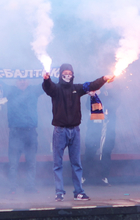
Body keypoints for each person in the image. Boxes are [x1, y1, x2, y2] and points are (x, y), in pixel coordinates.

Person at [42, 63, 112, 201]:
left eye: (70, 73)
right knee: (58, 163)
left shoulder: (77, 88)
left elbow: (92, 85)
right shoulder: (55, 88)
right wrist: (46, 79)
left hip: (75, 130)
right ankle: (59, 192)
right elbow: (48, 88)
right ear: (61, 74)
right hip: (60, 131)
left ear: (73, 74)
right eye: (65, 73)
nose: (67, 75)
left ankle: (79, 192)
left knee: (76, 163)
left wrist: (104, 78)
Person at [0, 75, 41, 193]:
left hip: (31, 131)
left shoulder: (34, 90)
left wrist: (49, 72)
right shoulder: (11, 91)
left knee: (31, 162)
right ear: (16, 81)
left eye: (24, 79)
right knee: (13, 162)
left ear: (28, 81)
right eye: (20, 80)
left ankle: (30, 187)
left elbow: (47, 85)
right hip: (16, 132)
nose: (22, 82)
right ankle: (12, 187)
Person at [84, 89, 116, 186]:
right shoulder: (92, 94)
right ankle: (84, 177)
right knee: (89, 152)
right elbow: (87, 106)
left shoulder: (111, 93)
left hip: (107, 129)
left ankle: (104, 177)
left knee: (106, 153)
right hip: (94, 129)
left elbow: (115, 104)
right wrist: (93, 96)